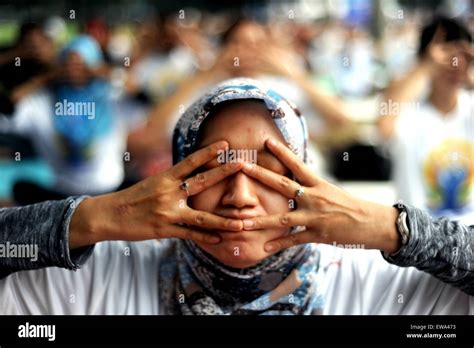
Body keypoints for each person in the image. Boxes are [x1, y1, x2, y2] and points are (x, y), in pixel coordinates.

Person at [0, 79, 472, 315]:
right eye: (209, 169)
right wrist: (101, 214)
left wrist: (394, 229)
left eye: (272, 174)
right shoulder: (88, 283)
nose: (240, 197)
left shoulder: (384, 287)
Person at [0, 35, 126, 205]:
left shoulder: (111, 96)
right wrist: (45, 78)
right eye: (68, 64)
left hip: (110, 192)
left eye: (84, 64)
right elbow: (9, 106)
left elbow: (139, 89)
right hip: (62, 196)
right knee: (21, 188)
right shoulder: (43, 102)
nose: (74, 70)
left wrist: (105, 72)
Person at [378, 17, 474, 219]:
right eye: (446, 54)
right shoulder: (409, 112)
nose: (455, 64)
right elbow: (384, 126)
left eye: (462, 56)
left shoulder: (469, 109)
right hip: (419, 240)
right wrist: (425, 67)